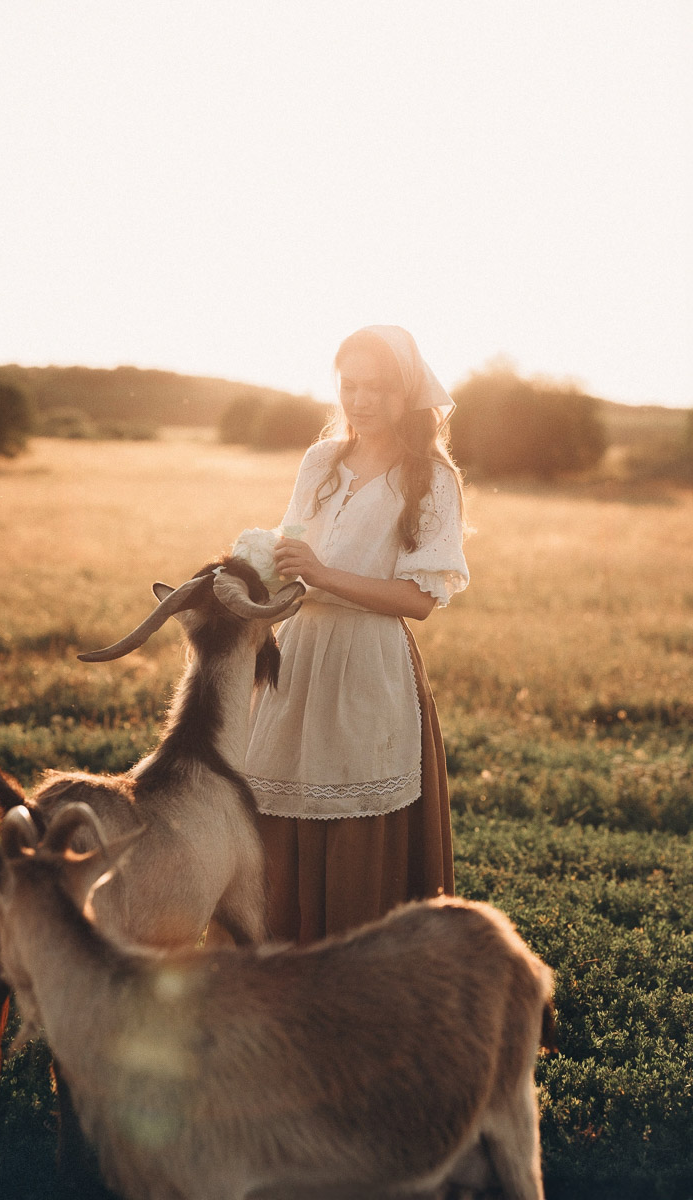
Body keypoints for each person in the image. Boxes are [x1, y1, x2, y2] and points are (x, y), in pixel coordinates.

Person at [243, 325, 469, 945]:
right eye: (350, 385)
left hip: (370, 661)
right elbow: (288, 563)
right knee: (276, 801)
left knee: (354, 815)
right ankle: (273, 977)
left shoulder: (432, 479)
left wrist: (323, 573)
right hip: (300, 655)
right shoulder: (320, 462)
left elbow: (421, 600)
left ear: (409, 393)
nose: (361, 400)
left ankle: (352, 979)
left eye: (378, 388)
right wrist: (250, 579)